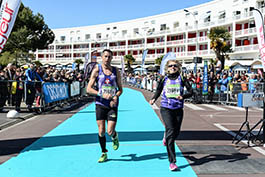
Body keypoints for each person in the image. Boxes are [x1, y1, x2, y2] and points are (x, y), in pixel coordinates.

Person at [149, 59, 193, 171]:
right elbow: (158, 90)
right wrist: (153, 98)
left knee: (176, 132)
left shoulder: (182, 78)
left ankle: (166, 135)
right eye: (170, 66)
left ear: (178, 67)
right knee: (170, 132)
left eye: (175, 66)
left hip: (178, 108)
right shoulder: (164, 78)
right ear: (167, 68)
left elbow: (191, 91)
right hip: (166, 108)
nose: (172, 67)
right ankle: (172, 162)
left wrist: (183, 96)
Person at [86, 49, 123, 163]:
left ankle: (114, 136)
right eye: (105, 56)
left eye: (109, 57)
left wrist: (116, 96)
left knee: (110, 131)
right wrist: (101, 94)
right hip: (100, 103)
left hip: (112, 104)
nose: (107, 59)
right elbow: (88, 89)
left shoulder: (116, 71)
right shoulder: (97, 70)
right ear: (101, 57)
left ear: (112, 58)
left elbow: (120, 89)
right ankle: (104, 152)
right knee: (101, 131)